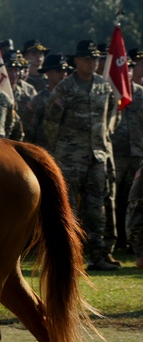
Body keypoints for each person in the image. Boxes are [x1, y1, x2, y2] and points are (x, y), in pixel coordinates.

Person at [44, 40, 120, 271]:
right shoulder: (65, 88)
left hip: (97, 157)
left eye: (96, 59)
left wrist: (104, 140)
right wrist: (61, 150)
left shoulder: (103, 86)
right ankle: (69, 256)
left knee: (98, 207)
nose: (92, 62)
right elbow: (51, 122)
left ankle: (100, 255)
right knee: (69, 209)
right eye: (88, 58)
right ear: (76, 61)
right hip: (70, 158)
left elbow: (112, 116)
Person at [113, 48, 143, 249]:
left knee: (135, 201)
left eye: (131, 67)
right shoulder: (112, 92)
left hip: (138, 153)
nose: (129, 70)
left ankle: (131, 243)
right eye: (127, 66)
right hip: (116, 153)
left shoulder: (141, 94)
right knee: (114, 200)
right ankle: (117, 242)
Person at [26, 53, 71, 147]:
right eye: (59, 71)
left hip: (69, 151)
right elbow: (30, 130)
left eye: (65, 71)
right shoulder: (39, 100)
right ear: (48, 73)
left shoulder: (73, 97)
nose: (63, 75)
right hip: (46, 149)